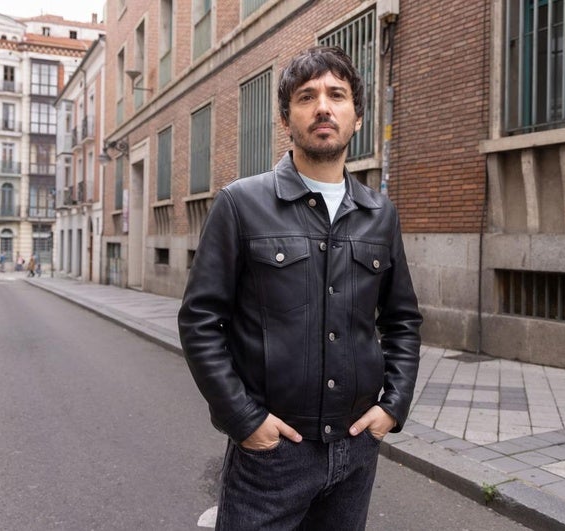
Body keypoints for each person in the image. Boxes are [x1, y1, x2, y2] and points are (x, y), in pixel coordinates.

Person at [177, 46, 422, 530]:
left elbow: (402, 321)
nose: (323, 107)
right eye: (307, 96)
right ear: (287, 118)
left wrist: (392, 407)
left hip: (355, 451)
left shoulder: (380, 214)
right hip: (272, 454)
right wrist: (245, 421)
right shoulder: (240, 204)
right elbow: (200, 322)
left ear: (357, 117)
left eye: (337, 95)